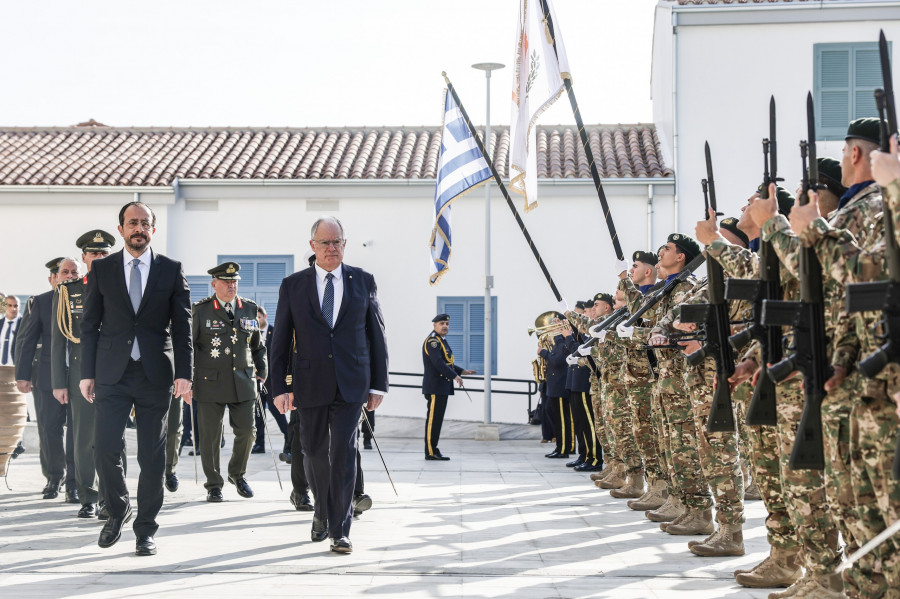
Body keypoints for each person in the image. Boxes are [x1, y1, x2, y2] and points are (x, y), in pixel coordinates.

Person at [79, 201, 192, 557]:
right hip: (111, 373)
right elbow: (89, 325)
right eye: (133, 223)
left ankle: (145, 529)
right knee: (105, 448)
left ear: (152, 230)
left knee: (152, 456)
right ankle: (117, 509)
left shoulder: (170, 270)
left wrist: (185, 374)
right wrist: (87, 374)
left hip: (155, 373)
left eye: (145, 223)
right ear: (121, 228)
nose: (139, 228)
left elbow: (183, 327)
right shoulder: (103, 270)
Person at [271, 216, 388, 555]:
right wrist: (279, 387)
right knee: (313, 453)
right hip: (309, 384)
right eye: (325, 242)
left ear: (344, 244)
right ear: (313, 246)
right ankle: (321, 512)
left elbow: (377, 335)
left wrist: (378, 384)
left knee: (343, 454)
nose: (331, 248)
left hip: (353, 383)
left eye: (337, 242)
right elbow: (279, 341)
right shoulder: (293, 285)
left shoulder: (362, 281)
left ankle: (340, 528)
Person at [183, 262, 266, 502]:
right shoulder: (201, 310)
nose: (231, 285)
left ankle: (237, 475)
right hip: (209, 382)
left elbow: (257, 345)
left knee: (247, 432)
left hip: (243, 381)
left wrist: (263, 370)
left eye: (235, 281)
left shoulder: (249, 309)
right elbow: (189, 347)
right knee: (209, 437)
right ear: (214, 284)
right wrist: (187, 378)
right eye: (226, 282)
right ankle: (213, 484)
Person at [16, 258, 77, 502]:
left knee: (76, 432)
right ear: (55, 277)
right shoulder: (41, 302)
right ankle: (54, 476)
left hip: (79, 378)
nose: (69, 276)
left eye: (74, 272)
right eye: (65, 272)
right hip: (46, 378)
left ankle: (74, 482)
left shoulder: (88, 297)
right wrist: (22, 375)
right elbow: (26, 339)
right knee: (50, 430)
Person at [421, 313, 475, 461]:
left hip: (442, 386)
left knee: (437, 420)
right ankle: (430, 451)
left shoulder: (441, 340)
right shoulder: (433, 341)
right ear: (434, 325)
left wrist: (461, 371)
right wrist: (455, 376)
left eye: (446, 324)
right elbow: (438, 363)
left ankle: (434, 449)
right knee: (433, 420)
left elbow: (447, 362)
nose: (445, 326)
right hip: (435, 386)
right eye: (441, 323)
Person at [252, 304, 289, 456]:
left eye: (259, 317)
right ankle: (259, 444)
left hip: (272, 382)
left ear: (265, 317)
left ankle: (289, 439)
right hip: (256, 381)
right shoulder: (252, 334)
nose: (257, 320)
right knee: (259, 415)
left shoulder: (275, 332)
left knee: (277, 413)